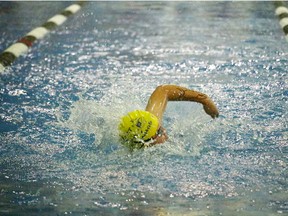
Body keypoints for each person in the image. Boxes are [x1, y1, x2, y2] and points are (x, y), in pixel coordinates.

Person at [118, 84, 219, 149]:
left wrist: (204, 99)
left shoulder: (149, 124)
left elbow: (163, 90)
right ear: (149, 141)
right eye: (160, 131)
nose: (164, 131)